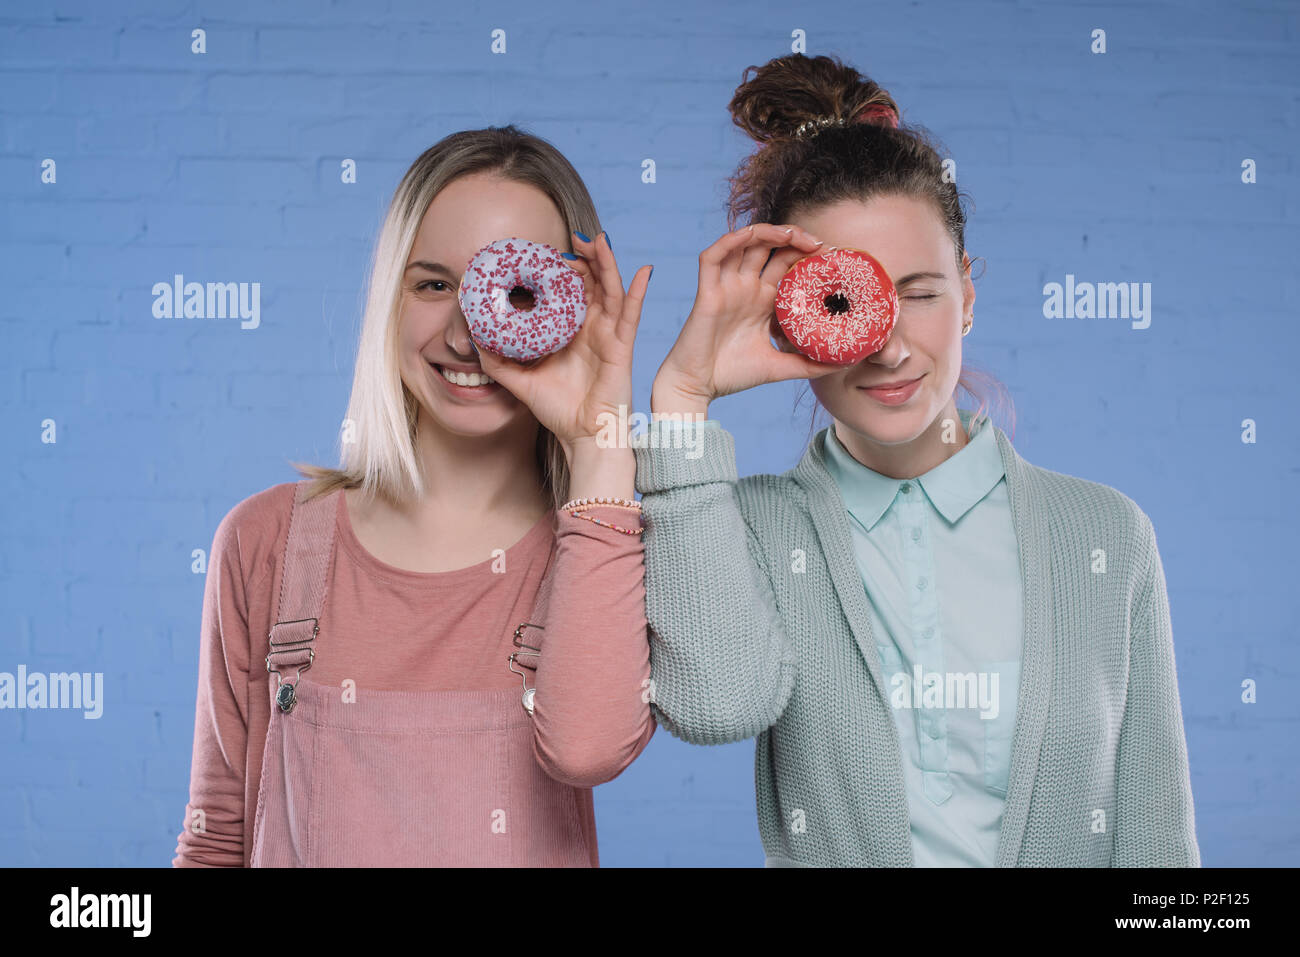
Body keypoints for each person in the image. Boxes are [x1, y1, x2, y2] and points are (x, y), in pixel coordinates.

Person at [636, 53, 1199, 866]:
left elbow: (1158, 848)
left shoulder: (1104, 534)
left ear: (969, 293)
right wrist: (683, 400)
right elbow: (716, 704)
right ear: (789, 317)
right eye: (845, 302)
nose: (890, 346)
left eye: (922, 292)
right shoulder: (747, 524)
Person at [173, 126, 656, 867]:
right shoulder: (266, 544)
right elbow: (216, 842)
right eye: (434, 284)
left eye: (516, 292)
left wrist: (597, 444)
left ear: (576, 307)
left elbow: (588, 749)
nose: (470, 333)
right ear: (387, 300)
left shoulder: (608, 543)